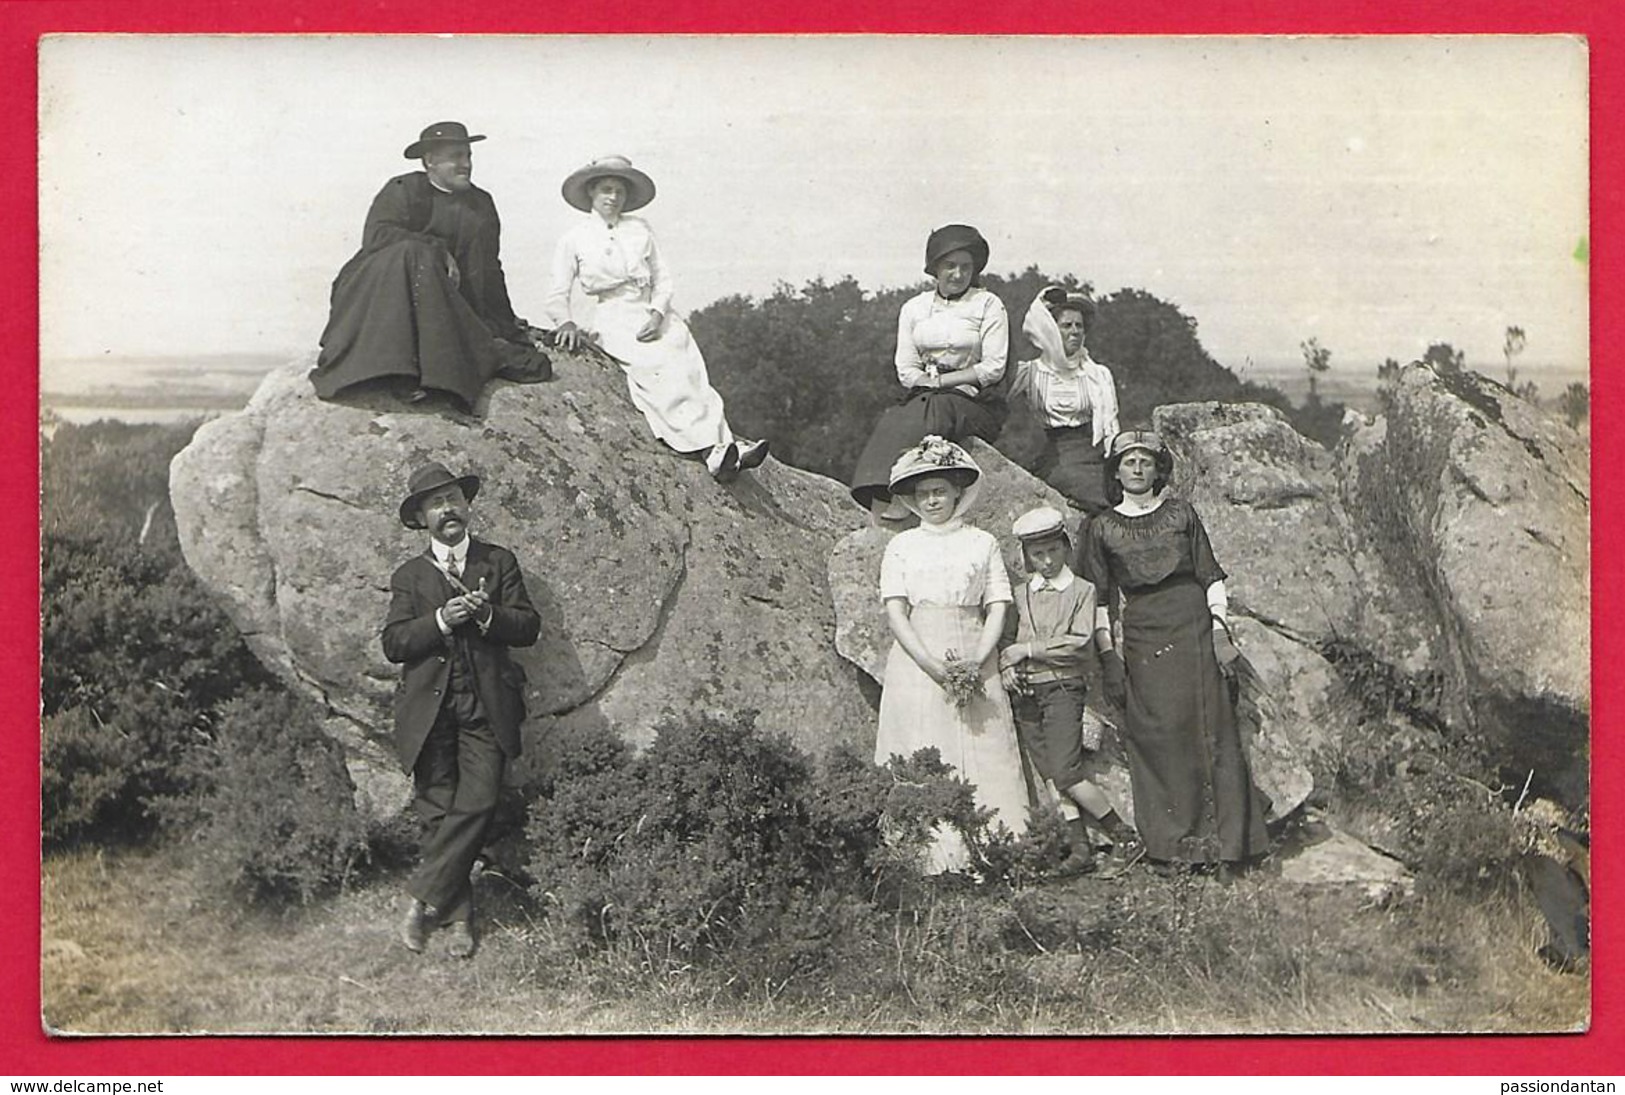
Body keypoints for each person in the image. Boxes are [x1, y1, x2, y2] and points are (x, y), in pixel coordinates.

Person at [1079, 431, 1270, 870]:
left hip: (1193, 627)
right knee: (1158, 734)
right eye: (1129, 462)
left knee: (1211, 730)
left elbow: (1210, 575)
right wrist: (1109, 656)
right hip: (1146, 636)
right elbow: (1099, 599)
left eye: (1146, 461)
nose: (1138, 469)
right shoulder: (1102, 527)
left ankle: (1229, 846)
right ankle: (1176, 847)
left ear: (1158, 468)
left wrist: (1220, 632)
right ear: (1116, 471)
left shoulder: (1182, 513)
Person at [383, 462, 541, 957]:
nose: (447, 509)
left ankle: (420, 896)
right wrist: (441, 620)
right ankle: (459, 920)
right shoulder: (409, 577)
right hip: (429, 710)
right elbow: (395, 643)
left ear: (466, 506)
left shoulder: (498, 562)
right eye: (435, 504)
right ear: (421, 519)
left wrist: (488, 614)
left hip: (486, 705)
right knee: (436, 811)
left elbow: (528, 626)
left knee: (478, 801)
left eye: (452, 498)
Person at [545, 155, 768, 483]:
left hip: (650, 310)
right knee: (656, 370)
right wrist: (565, 321)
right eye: (606, 189)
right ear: (591, 192)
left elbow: (662, 277)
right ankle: (711, 450)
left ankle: (726, 444)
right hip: (614, 316)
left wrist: (658, 311)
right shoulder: (574, 238)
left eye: (620, 191)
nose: (613, 197)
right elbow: (556, 292)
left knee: (687, 363)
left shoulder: (640, 229)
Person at [310, 122, 551, 411]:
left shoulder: (481, 204)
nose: (466, 165)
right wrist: (437, 249)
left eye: (468, 156)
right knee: (415, 254)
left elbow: (489, 270)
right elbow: (377, 236)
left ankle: (440, 376)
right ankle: (399, 369)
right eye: (456, 157)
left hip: (443, 303)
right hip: (379, 293)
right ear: (431, 161)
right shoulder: (404, 189)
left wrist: (507, 324)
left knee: (521, 360)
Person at [875, 436, 1030, 873]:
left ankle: (995, 849)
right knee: (922, 741)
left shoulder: (981, 542)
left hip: (972, 646)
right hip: (917, 656)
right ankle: (923, 857)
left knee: (984, 746)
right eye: (923, 494)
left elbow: (998, 602)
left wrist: (978, 659)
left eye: (939, 491)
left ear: (957, 492)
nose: (932, 501)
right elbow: (896, 610)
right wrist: (931, 665)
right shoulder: (902, 546)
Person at [999, 506, 1141, 876]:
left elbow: (1079, 643)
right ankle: (1079, 847)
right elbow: (1008, 640)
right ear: (1026, 557)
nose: (1046, 562)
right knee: (1049, 772)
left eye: (1053, 551)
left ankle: (1123, 835)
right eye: (1037, 555)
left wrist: (1027, 651)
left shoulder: (1082, 591)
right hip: (1027, 693)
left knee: (1066, 773)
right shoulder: (1019, 594)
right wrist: (1007, 666)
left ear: (1065, 547)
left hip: (1062, 688)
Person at [849, 225, 1009, 517]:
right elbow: (906, 370)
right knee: (897, 416)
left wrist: (943, 382)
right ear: (935, 267)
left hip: (975, 403)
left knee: (937, 406)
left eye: (965, 267)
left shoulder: (988, 304)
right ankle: (876, 494)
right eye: (950, 266)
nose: (958, 274)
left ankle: (895, 494)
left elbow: (993, 367)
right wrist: (930, 384)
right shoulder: (914, 308)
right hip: (925, 396)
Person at [1008, 286, 1120, 514]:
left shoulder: (1097, 374)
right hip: (1054, 454)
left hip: (1093, 452)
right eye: (1067, 325)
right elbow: (995, 398)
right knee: (1079, 483)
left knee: (1115, 492)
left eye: (1079, 326)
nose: (1075, 331)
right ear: (1050, 329)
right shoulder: (1030, 372)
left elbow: (1111, 430)